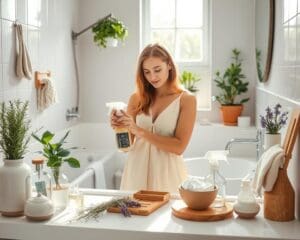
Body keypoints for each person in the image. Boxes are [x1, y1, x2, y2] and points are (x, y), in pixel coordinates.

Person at [110, 43, 197, 192]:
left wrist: (139, 131)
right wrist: (119, 127)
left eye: (157, 70)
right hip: (136, 171)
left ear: (169, 65)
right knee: (135, 213)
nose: (152, 77)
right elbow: (125, 147)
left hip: (167, 174)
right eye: (147, 72)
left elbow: (179, 147)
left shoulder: (186, 99)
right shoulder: (136, 98)